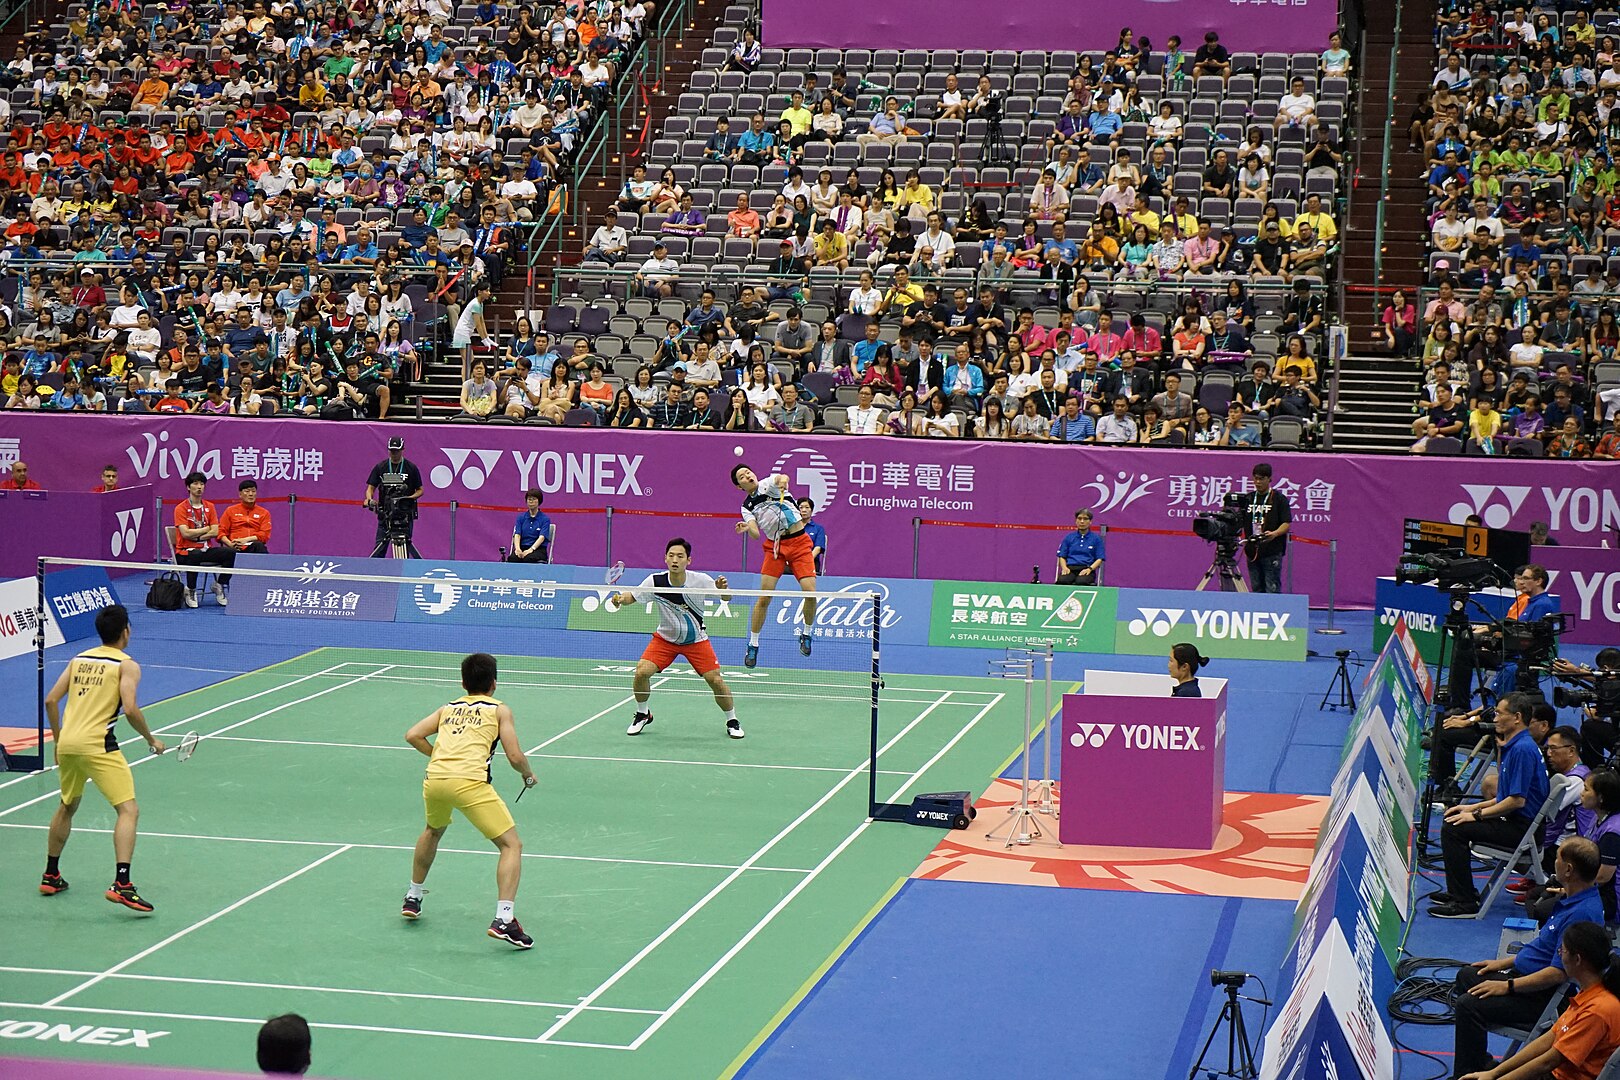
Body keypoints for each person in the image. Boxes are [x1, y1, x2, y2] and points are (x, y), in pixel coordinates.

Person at [402, 652, 538, 949]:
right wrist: (528, 775)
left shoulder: (448, 708)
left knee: (433, 830)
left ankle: (413, 896)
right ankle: (504, 918)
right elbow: (514, 756)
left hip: (435, 779)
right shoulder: (500, 710)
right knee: (511, 845)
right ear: (494, 683)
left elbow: (413, 735)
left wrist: (438, 756)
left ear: (463, 682)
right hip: (470, 783)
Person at [40, 604, 167, 911]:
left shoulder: (78, 659)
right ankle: (122, 883)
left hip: (68, 742)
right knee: (128, 810)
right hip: (98, 745)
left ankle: (51, 874)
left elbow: (51, 700)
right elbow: (131, 709)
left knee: (68, 805)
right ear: (126, 631)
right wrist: (151, 739)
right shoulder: (126, 665)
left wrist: (58, 741)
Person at [1449, 838, 1604, 1073]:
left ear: (1569, 870)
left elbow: (1557, 973)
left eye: (1558, 858)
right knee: (1468, 975)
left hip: (1543, 996)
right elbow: (1544, 948)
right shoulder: (1571, 899)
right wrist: (1502, 963)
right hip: (1528, 980)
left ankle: (1466, 1074)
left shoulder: (1581, 914)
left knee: (1468, 1005)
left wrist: (1507, 986)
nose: (1554, 862)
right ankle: (1479, 1063)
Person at [609, 538, 744, 740]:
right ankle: (643, 714)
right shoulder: (655, 581)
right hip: (665, 639)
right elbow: (633, 597)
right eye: (671, 555)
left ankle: (732, 720)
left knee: (715, 679)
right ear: (665, 558)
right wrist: (620, 599)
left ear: (688, 560)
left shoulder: (700, 580)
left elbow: (726, 598)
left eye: (680, 556)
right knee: (641, 672)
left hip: (696, 640)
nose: (675, 560)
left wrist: (723, 589)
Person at [1433, 692, 1551, 918]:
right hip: (1517, 822)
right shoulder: (1514, 744)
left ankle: (1465, 901)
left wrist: (1476, 816)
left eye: (1499, 713)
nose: (1494, 718)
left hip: (1523, 830)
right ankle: (1460, 891)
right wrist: (1469, 808)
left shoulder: (1522, 749)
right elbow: (1504, 796)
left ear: (1517, 717)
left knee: (1453, 829)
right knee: (1454, 817)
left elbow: (1516, 801)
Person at [1457, 919, 1620, 1080]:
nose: (1560, 956)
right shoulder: (1588, 993)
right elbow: (1550, 1038)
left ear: (1577, 960)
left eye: (1561, 951)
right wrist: (1495, 1072)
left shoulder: (1597, 1011)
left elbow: (1548, 1062)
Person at [731, 464, 819, 666]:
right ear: (739, 486)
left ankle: (806, 633)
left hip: (799, 542)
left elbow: (781, 478)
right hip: (775, 547)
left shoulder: (767, 485)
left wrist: (783, 481)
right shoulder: (746, 507)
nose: (747, 476)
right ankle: (753, 644)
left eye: (748, 472)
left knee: (810, 593)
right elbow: (755, 533)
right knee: (764, 598)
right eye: (742, 477)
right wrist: (746, 528)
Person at [172, 471, 235, 608]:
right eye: (195, 484)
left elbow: (216, 531)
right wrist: (206, 529)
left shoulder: (209, 507)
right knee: (195, 554)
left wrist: (199, 536)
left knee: (230, 553)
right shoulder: (181, 508)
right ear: (188, 487)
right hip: (185, 552)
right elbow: (185, 534)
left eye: (202, 484)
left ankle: (219, 584)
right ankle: (191, 589)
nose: (199, 487)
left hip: (206, 549)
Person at [364, 436, 425, 558]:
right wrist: (369, 499)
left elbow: (420, 490)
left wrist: (409, 499)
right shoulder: (381, 467)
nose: (394, 453)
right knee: (379, 548)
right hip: (386, 514)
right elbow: (370, 488)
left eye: (396, 451)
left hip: (404, 515)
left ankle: (404, 573)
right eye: (391, 450)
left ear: (402, 450)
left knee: (405, 549)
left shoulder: (411, 468)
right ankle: (376, 573)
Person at [215, 479, 272, 602]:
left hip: (252, 546)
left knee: (260, 546)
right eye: (247, 491)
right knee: (231, 554)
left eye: (253, 491)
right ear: (240, 494)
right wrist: (230, 544)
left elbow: (264, 535)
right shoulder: (230, 511)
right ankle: (220, 584)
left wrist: (246, 539)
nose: (251, 494)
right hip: (233, 547)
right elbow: (221, 532)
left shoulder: (264, 513)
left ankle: (265, 584)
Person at [1239, 463, 1291, 594]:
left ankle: (1275, 613)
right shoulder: (1248, 499)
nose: (1257, 482)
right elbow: (1240, 520)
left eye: (1261, 479)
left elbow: (1286, 523)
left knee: (1272, 588)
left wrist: (1274, 534)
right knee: (1256, 588)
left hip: (1272, 550)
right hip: (1252, 551)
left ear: (1269, 479)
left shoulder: (1279, 499)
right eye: (1255, 478)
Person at [1055, 509, 1105, 585]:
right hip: (1070, 569)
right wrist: (1064, 568)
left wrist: (1089, 569)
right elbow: (1062, 556)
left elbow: (1100, 558)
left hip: (1087, 568)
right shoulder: (1069, 537)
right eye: (1079, 518)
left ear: (1090, 522)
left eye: (1085, 519)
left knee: (1081, 581)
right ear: (1076, 521)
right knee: (1062, 580)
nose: (1082, 521)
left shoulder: (1096, 539)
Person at [509, 489, 552, 563]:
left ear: (539, 501)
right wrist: (518, 549)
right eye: (529, 499)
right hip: (522, 547)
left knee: (528, 558)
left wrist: (531, 549)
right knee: (513, 558)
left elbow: (541, 538)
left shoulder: (545, 519)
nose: (531, 501)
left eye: (534, 499)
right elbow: (517, 535)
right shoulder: (521, 518)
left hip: (538, 549)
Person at [797, 497, 828, 575]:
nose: (804, 510)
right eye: (801, 507)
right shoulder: (791, 527)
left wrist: (805, 561)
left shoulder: (818, 529)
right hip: (792, 562)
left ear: (811, 510)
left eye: (807, 507)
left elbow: (817, 549)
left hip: (810, 562)